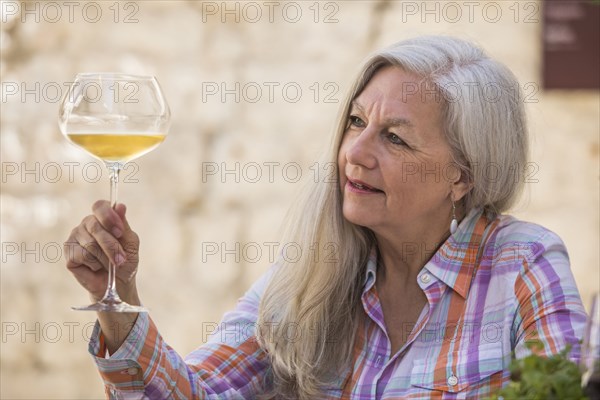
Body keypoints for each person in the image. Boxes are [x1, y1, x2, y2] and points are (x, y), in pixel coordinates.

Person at [64, 35, 587, 399]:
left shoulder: (523, 264)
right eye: (356, 121)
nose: (355, 152)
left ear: (463, 176)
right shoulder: (308, 279)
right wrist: (119, 297)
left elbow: (567, 391)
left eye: (395, 138)